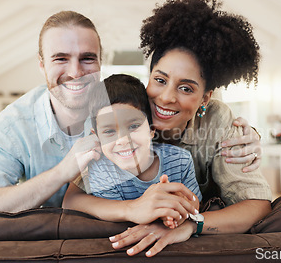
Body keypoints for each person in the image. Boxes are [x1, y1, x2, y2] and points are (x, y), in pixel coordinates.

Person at [0, 9, 261, 214]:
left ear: (101, 61)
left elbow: (187, 115)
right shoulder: (13, 124)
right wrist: (63, 171)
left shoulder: (129, 105)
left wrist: (251, 137)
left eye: (87, 59)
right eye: (60, 58)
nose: (75, 72)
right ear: (41, 65)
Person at [64, 0, 272, 258]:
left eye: (186, 88)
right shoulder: (125, 111)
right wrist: (133, 209)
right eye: (160, 80)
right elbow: (75, 196)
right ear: (148, 78)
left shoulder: (218, 122)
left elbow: (257, 205)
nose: (166, 98)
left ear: (205, 98)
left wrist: (192, 225)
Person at [79, 74, 201, 228]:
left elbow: (195, 203)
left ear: (151, 130)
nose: (123, 140)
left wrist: (178, 211)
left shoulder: (180, 160)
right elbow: (117, 223)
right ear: (97, 137)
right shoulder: (101, 170)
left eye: (133, 126)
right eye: (109, 131)